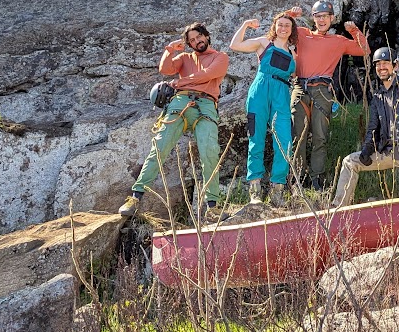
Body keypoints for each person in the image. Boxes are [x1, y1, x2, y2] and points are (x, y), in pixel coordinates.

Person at [119, 22, 228, 219]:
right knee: (159, 146)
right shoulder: (185, 57)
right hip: (181, 102)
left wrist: (180, 82)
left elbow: (209, 74)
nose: (197, 42)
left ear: (206, 35)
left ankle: (212, 206)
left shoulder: (220, 57)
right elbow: (166, 69)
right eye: (192, 40)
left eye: (199, 37)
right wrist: (170, 49)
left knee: (209, 151)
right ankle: (135, 197)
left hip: (206, 104)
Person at [331, 47, 399, 208]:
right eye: (378, 64)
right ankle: (338, 210)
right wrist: (367, 150)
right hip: (387, 152)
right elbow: (373, 128)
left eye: (386, 63)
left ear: (395, 66)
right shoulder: (378, 96)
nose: (381, 67)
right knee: (350, 162)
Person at [284, 1, 370, 191]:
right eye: (318, 16)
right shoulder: (303, 34)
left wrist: (355, 31)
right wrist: (290, 14)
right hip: (300, 87)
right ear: (313, 18)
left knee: (320, 137)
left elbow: (364, 50)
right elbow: (279, 29)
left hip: (322, 90)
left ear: (332, 18)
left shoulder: (338, 41)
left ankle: (316, 181)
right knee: (298, 136)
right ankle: (298, 179)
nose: (321, 20)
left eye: (325, 16)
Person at [229, 13, 298, 207]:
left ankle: (277, 190)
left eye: (287, 25)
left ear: (292, 30)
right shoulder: (263, 43)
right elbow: (235, 45)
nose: (283, 28)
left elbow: (295, 75)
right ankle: (255, 191)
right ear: (274, 27)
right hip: (260, 91)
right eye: (280, 25)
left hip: (282, 94)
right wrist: (245, 24)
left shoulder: (293, 52)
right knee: (256, 139)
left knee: (284, 142)